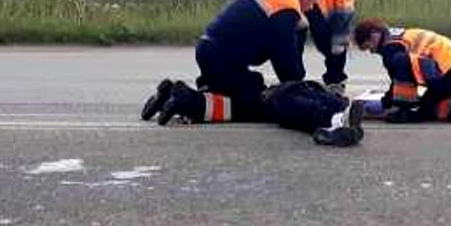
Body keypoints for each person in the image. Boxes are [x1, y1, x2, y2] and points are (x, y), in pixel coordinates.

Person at [140, 0, 318, 126]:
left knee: (236, 91)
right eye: (312, 4)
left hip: (210, 49)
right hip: (224, 58)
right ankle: (187, 102)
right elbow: (288, 70)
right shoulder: (286, 8)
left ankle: (167, 94)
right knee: (251, 106)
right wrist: (301, 32)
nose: (310, 10)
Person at [141, 79, 365, 147]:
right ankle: (336, 120)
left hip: (267, 92)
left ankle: (175, 94)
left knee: (230, 108)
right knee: (293, 110)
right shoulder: (321, 96)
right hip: (275, 96)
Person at [352, 18, 451, 124]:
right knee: (432, 107)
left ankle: (404, 110)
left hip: (448, 73)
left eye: (369, 47)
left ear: (374, 35)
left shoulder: (391, 48)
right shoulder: (398, 36)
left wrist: (391, 106)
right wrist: (386, 102)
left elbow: (399, 82)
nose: (372, 52)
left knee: (421, 112)